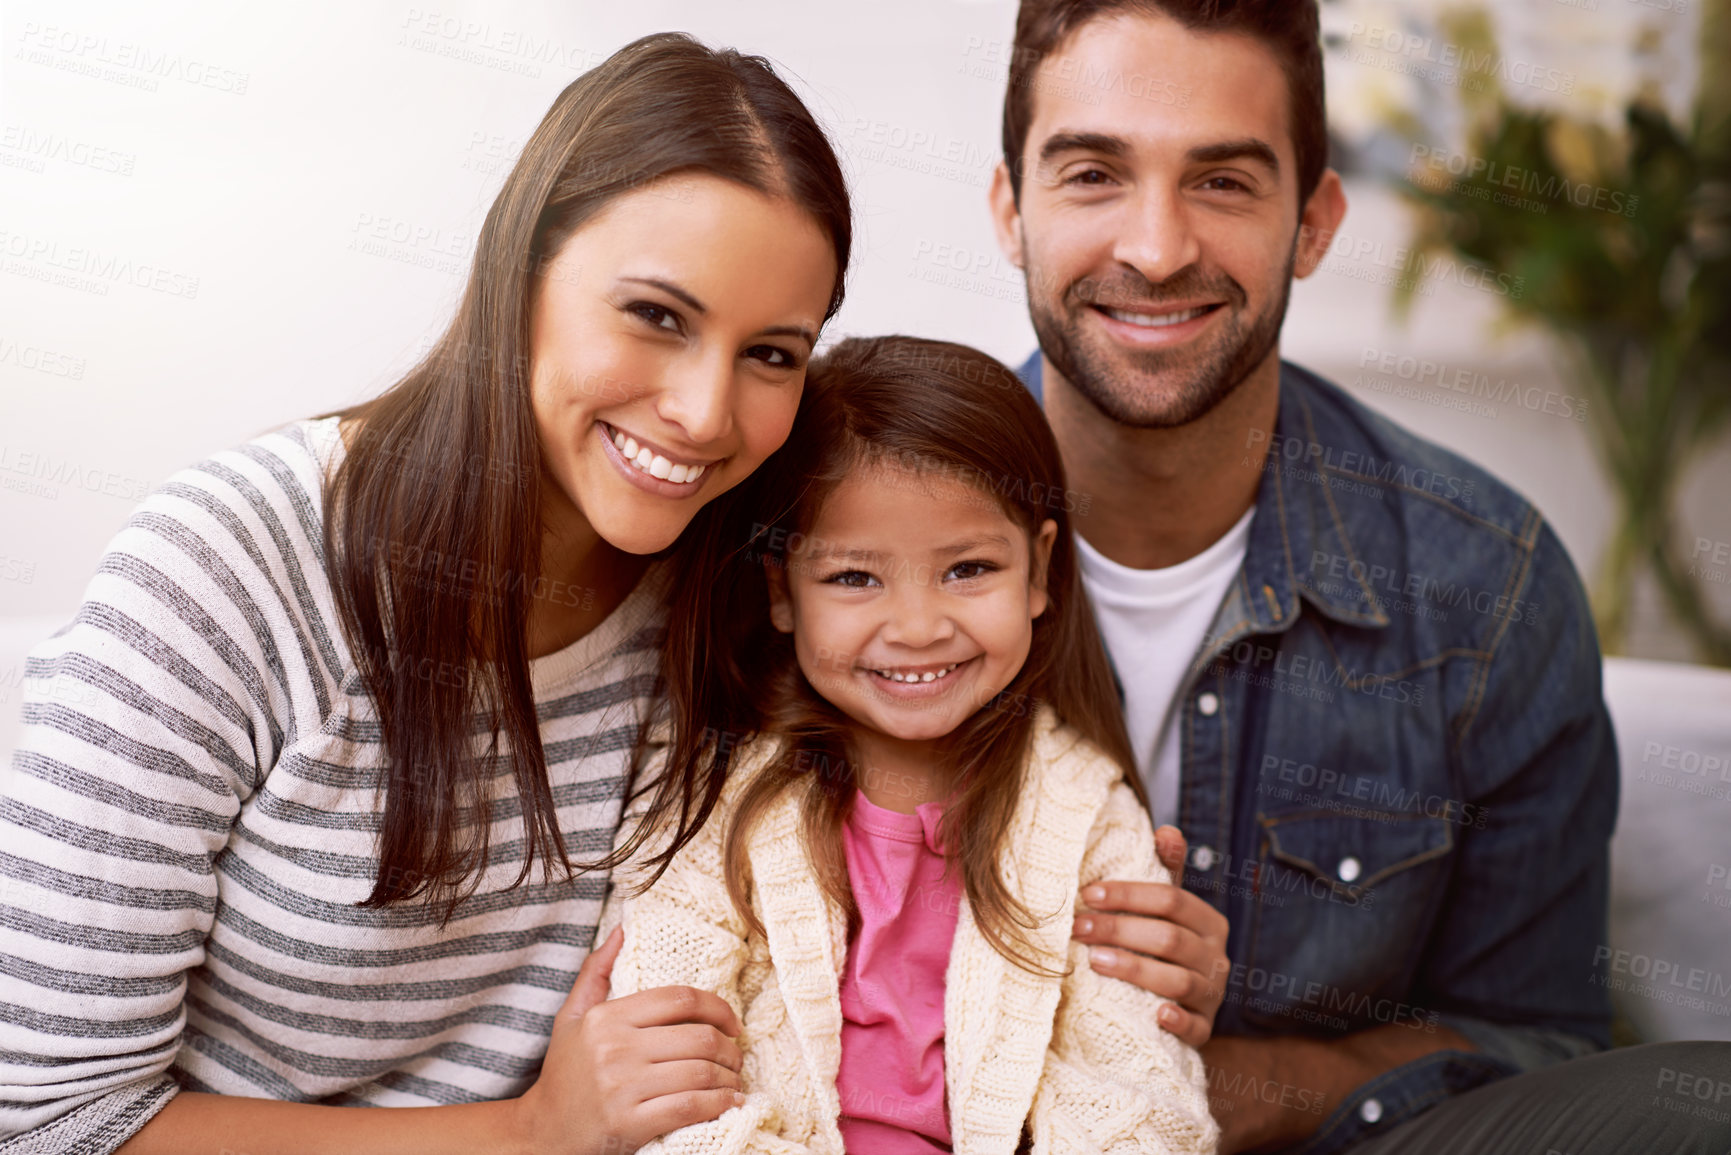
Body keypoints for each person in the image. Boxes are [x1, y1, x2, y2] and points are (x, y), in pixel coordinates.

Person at [0, 32, 851, 1155]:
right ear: (522, 271)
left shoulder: (742, 592)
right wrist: (527, 1134)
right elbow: (53, 1120)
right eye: (656, 315)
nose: (703, 411)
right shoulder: (232, 564)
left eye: (773, 354)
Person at [982, 1, 1731, 1152]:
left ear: (1315, 224)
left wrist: (1195, 1096)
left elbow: (1534, 1050)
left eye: (1224, 182)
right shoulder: (839, 534)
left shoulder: (1489, 584)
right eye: (1093, 173)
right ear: (1009, 209)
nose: (1156, 247)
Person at [601, 334, 1218, 1155]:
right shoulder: (710, 797)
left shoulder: (1085, 811)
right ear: (782, 591)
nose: (920, 628)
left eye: (966, 569)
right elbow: (669, 1096)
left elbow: (1141, 1095)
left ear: (1037, 572)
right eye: (855, 577)